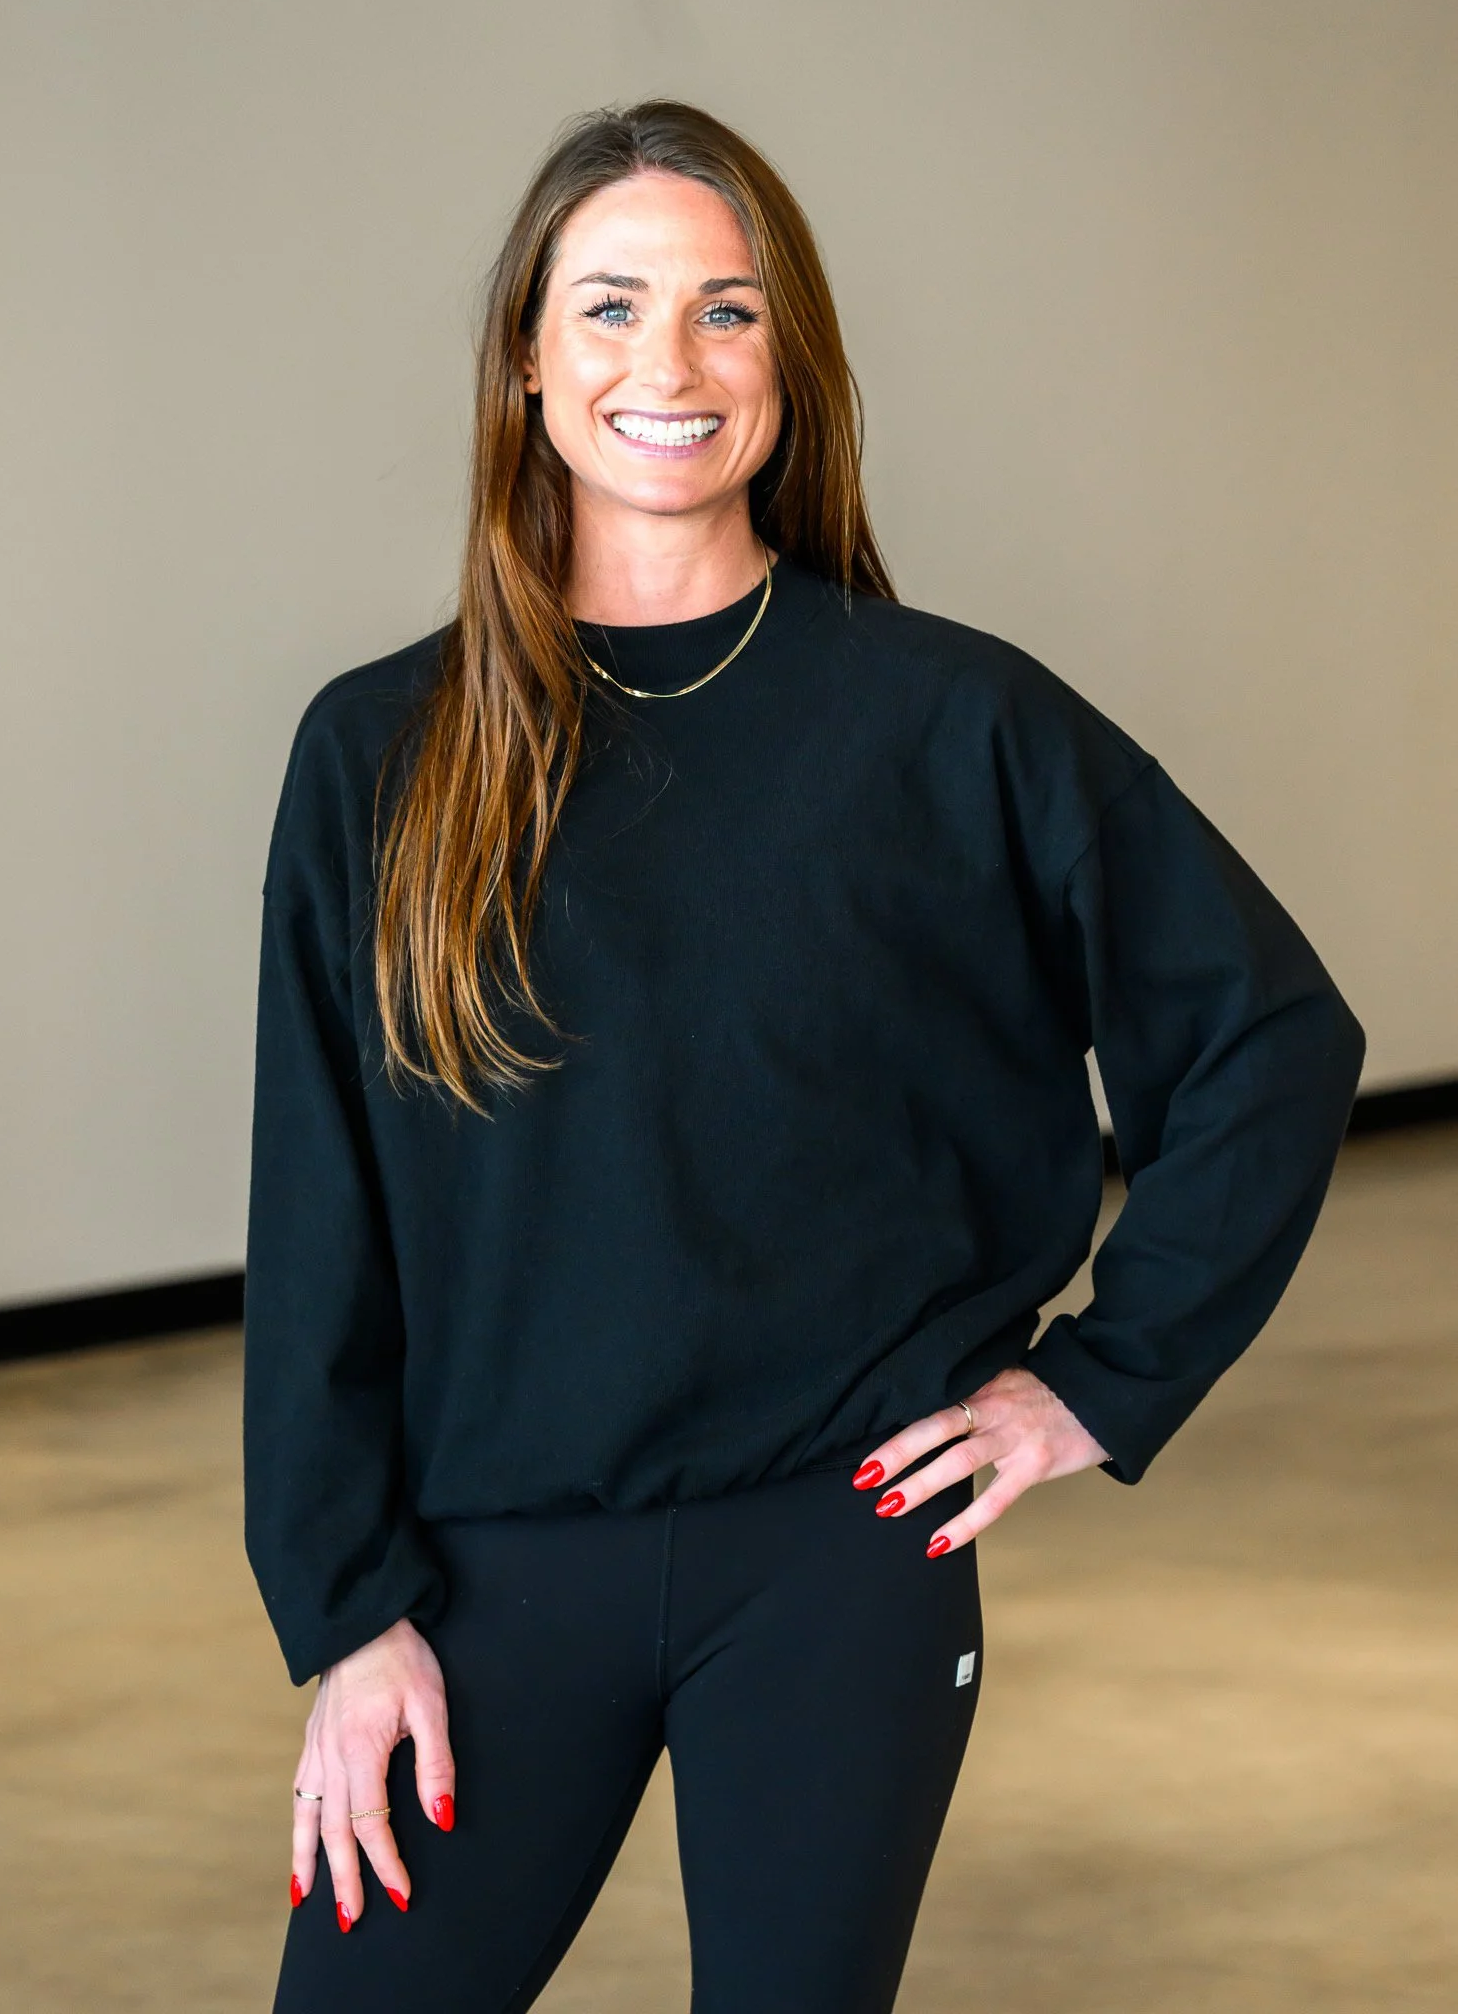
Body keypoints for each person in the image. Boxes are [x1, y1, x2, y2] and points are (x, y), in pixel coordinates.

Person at [243, 99, 1364, 2013]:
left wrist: (1091, 1387)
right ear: (526, 363)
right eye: (607, 308)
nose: (664, 365)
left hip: (835, 1566)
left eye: (726, 313)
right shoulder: (381, 753)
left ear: (792, 364)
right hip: (484, 1584)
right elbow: (320, 1215)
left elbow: (1268, 1035)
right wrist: (352, 1619)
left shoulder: (951, 722)